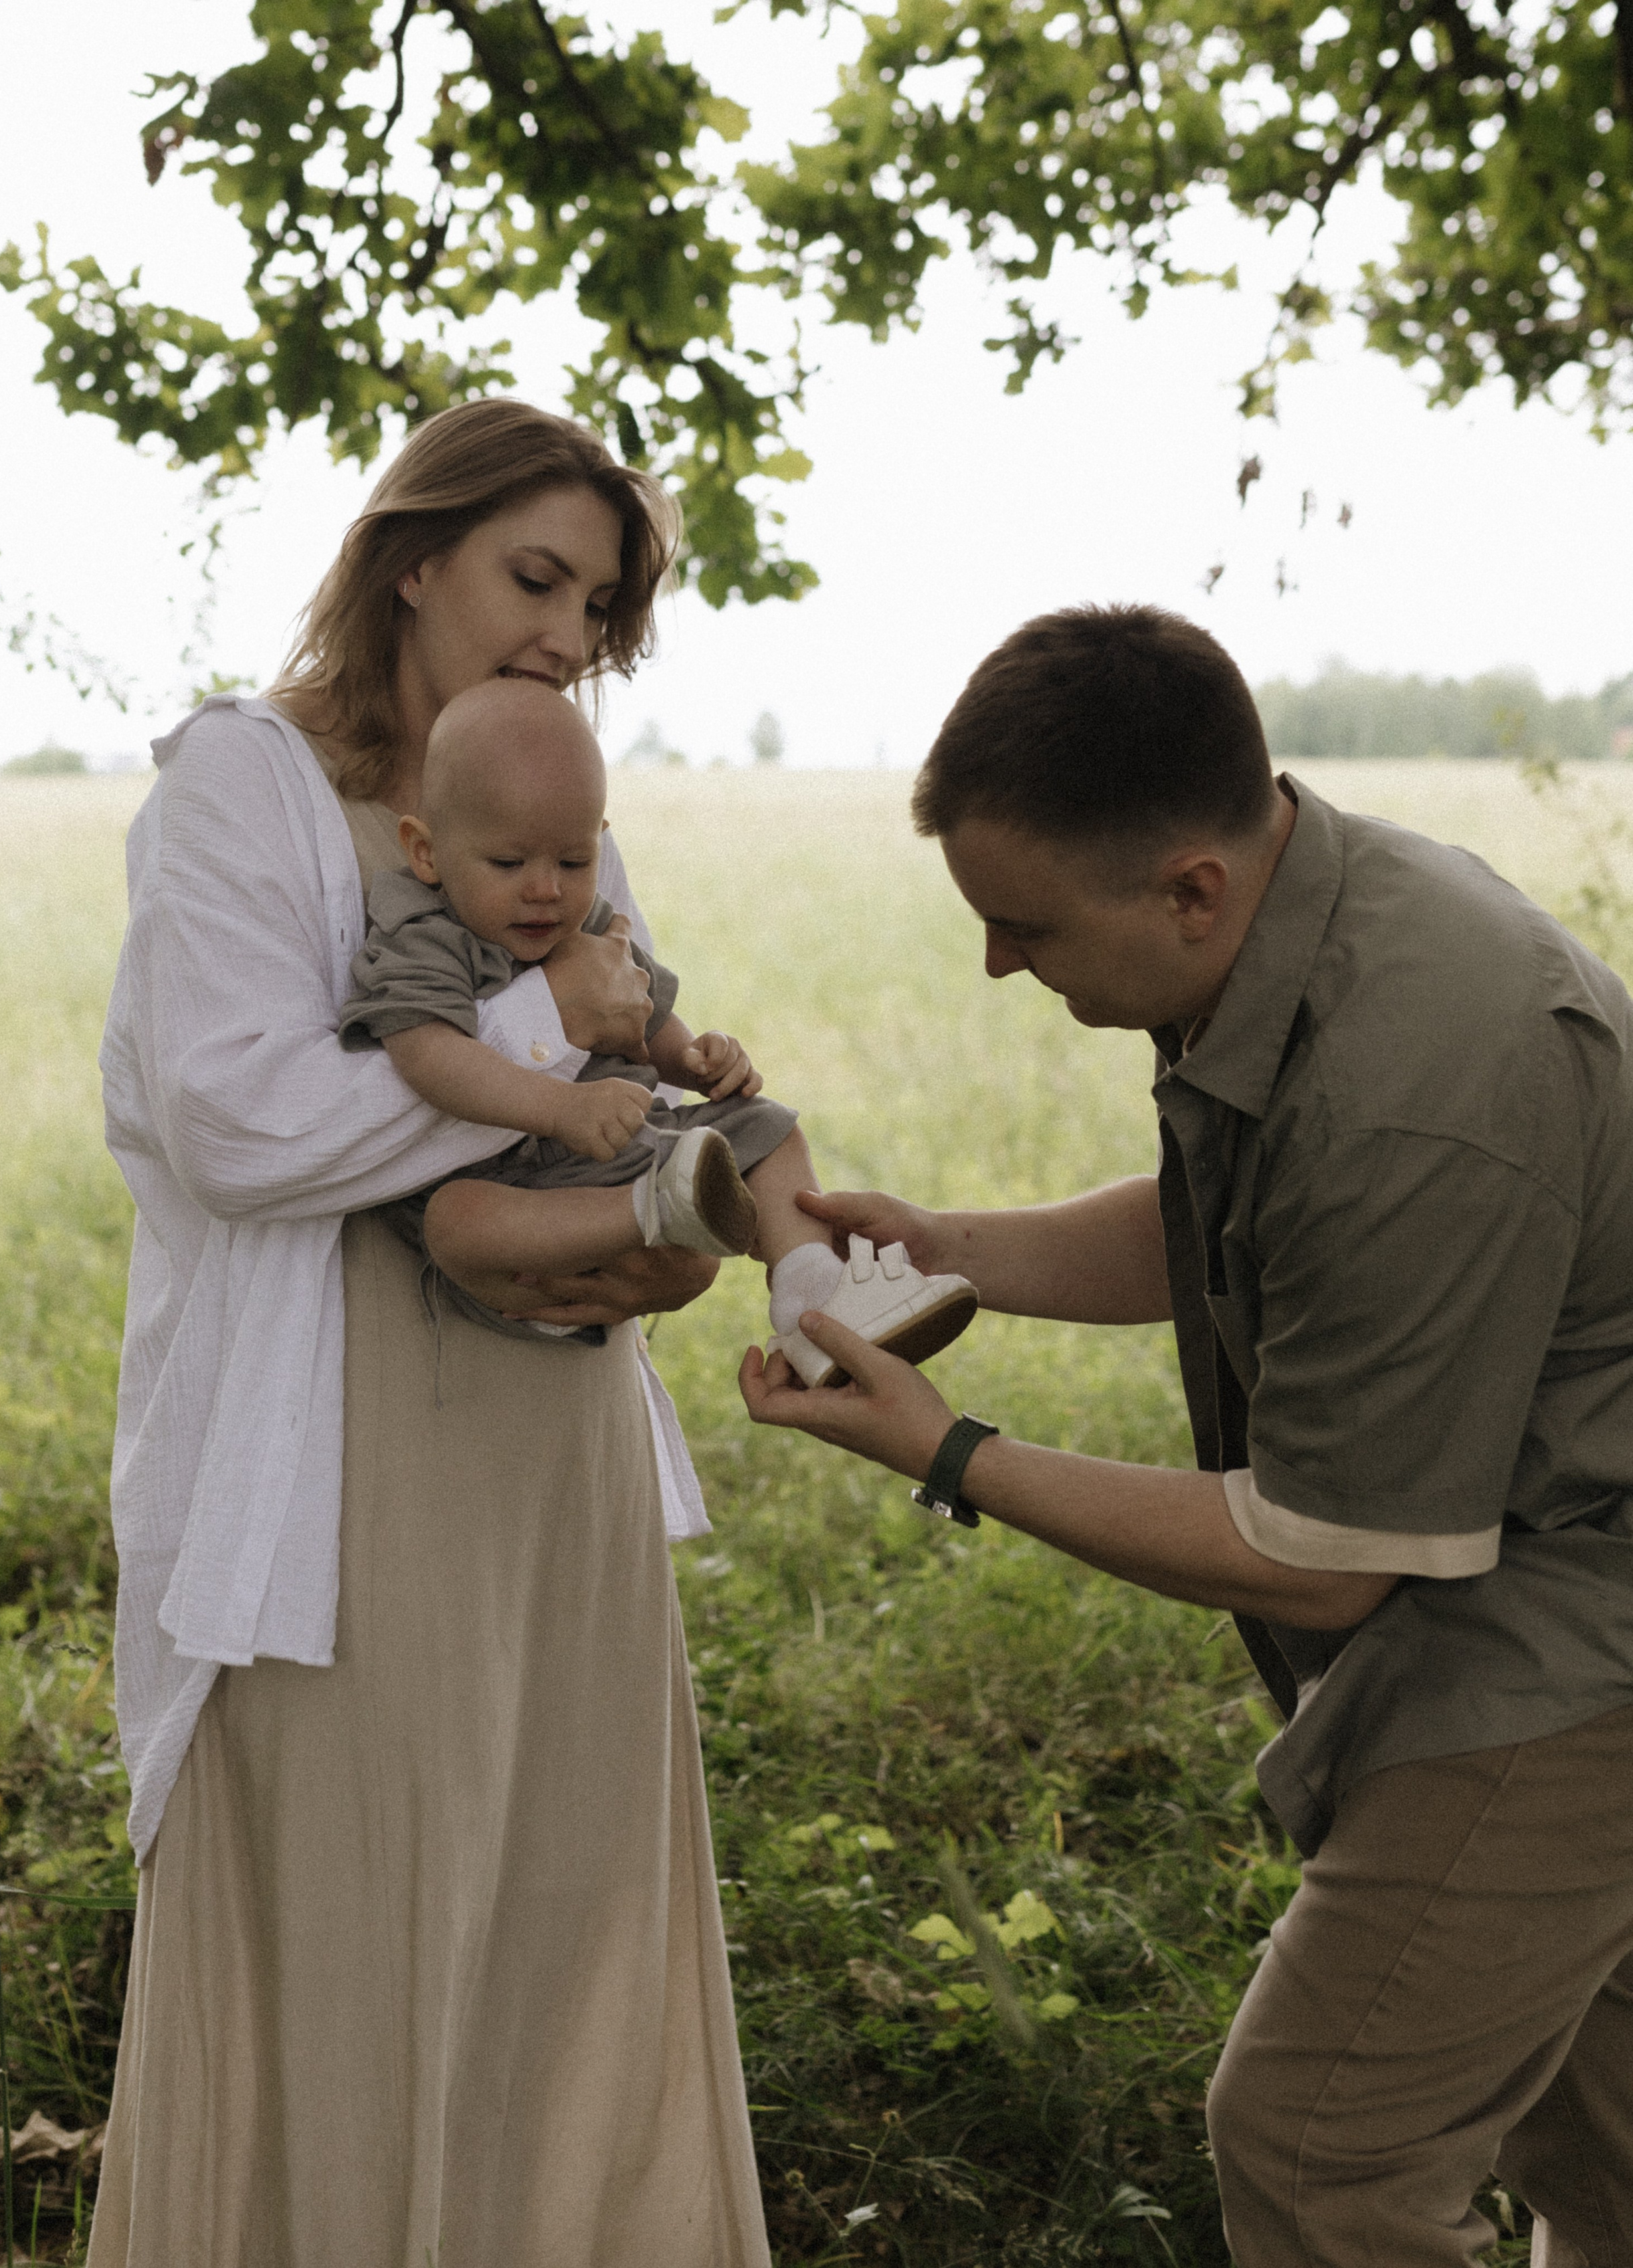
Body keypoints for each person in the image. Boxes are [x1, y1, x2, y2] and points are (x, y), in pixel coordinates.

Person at [739, 603, 1633, 2267]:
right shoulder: (1313, 913)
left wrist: (949, 1450)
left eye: (1021, 923)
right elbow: (1241, 1224)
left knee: (1315, 2147)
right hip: (1522, 1580)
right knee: (1605, 2161)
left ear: (1190, 888)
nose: (999, 963)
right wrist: (953, 1247)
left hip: (1572, 1640)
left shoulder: (1415, 1068)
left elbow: (1323, 1556)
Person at [92, 398, 773, 2267]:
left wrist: (671, 1231)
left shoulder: (542, 780)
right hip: (336, 1455)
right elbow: (238, 1129)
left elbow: (622, 1064)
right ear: (414, 558)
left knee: (563, 1919)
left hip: (554, 1432)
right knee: (366, 1908)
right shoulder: (245, 782)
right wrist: (551, 1033)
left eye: (600, 601)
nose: (569, 629)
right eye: (533, 574)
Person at [337, 672, 979, 1376]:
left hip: (625, 1149)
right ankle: (657, 1209)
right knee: (454, 1221)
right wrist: (559, 1105)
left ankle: (809, 1294)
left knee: (772, 1128)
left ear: (598, 843)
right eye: (509, 861)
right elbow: (426, 1054)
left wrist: (698, 1059)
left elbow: (647, 1017)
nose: (545, 887)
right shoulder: (421, 932)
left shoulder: (583, 923)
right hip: (516, 1190)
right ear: (426, 851)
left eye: (573, 860)